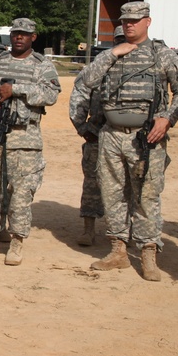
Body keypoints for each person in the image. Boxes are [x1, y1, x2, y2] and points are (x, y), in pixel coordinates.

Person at [77, 1, 178, 281]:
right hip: (111, 134)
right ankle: (118, 251)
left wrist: (167, 119)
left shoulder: (161, 54)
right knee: (112, 194)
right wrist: (113, 53)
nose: (129, 25)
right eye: (125, 20)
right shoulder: (111, 54)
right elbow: (86, 81)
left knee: (146, 196)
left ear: (147, 22)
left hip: (145, 136)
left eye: (135, 21)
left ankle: (149, 253)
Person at [0, 18, 60, 265]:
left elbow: (51, 94)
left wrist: (17, 88)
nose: (19, 37)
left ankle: (17, 242)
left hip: (25, 138)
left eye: (24, 34)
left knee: (21, 192)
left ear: (34, 37)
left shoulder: (42, 65)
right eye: (16, 33)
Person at [68, 26, 126, 247]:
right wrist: (82, 127)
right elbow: (79, 95)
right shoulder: (99, 66)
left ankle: (124, 233)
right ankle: (88, 230)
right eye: (119, 39)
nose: (123, 43)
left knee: (127, 187)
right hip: (98, 134)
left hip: (129, 137)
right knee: (92, 183)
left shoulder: (144, 66)